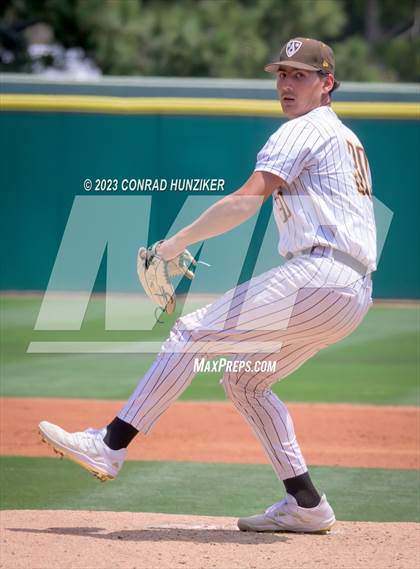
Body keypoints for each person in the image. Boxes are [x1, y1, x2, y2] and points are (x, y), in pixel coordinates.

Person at [39, 37, 376, 534]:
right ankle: (306, 503)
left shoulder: (302, 129)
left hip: (320, 276)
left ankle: (110, 444)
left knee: (191, 334)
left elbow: (246, 200)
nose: (286, 83)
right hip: (350, 292)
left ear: (327, 83)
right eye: (281, 73)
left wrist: (172, 245)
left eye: (299, 75)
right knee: (244, 380)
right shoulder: (343, 136)